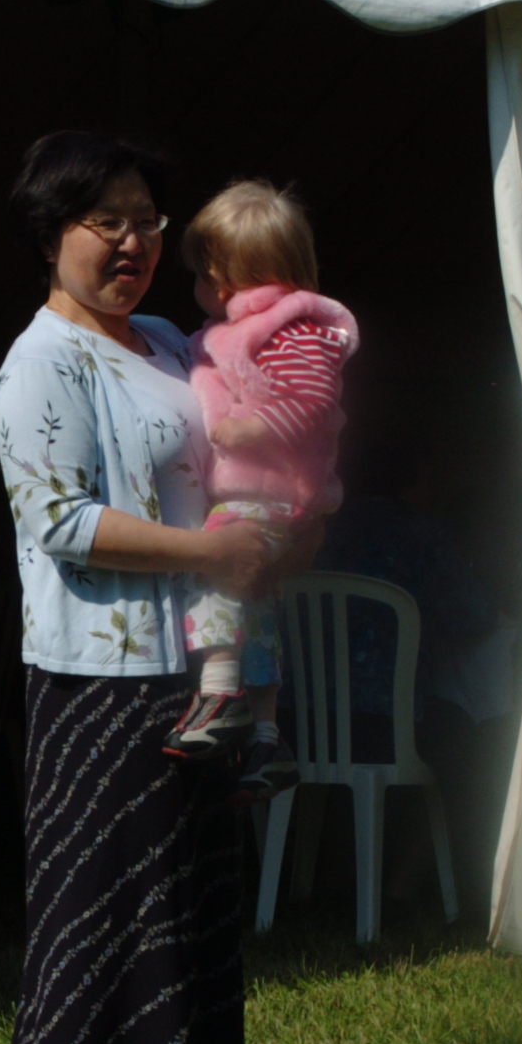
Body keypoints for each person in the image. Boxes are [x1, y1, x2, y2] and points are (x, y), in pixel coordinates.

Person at [0, 131, 309, 1044]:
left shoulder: (172, 342)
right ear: (52, 236)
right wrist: (210, 554)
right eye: (107, 223)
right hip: (98, 674)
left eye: (147, 223)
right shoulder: (40, 363)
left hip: (202, 661)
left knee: (189, 897)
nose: (132, 244)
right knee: (92, 899)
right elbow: (61, 520)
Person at [168, 181, 359, 805]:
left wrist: (248, 428)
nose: (201, 287)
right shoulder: (235, 333)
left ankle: (219, 694)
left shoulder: (290, 327)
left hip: (265, 495)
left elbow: (312, 401)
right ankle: (267, 740)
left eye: (203, 274)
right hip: (265, 500)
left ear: (226, 279)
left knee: (215, 569)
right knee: (257, 609)